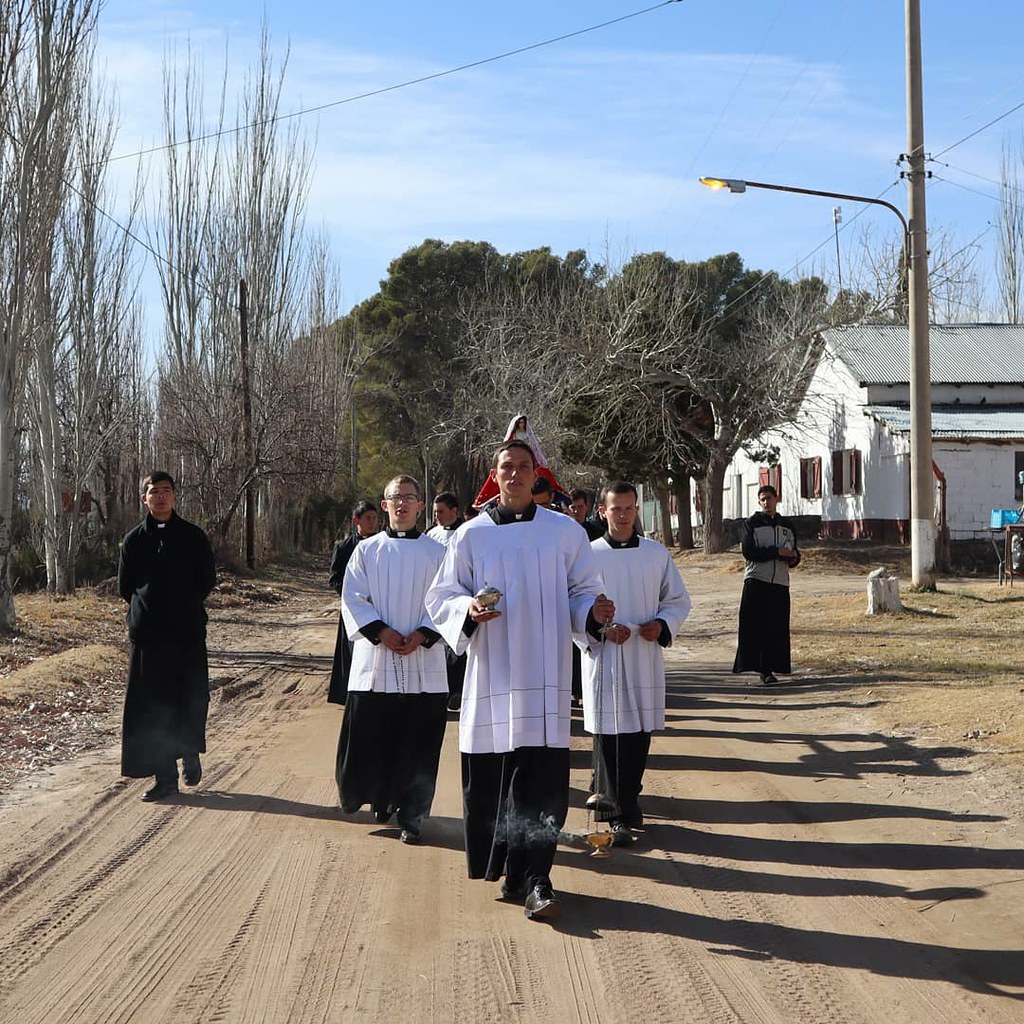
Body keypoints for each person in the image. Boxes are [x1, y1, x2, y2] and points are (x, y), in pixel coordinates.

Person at [426, 439, 615, 921]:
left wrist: (593, 613)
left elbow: (583, 592)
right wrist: (465, 610)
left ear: (537, 476)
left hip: (547, 674)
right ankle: (510, 869)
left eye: (524, 467)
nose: (515, 474)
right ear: (495, 475)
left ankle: (537, 876)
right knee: (496, 777)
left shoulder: (563, 533)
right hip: (493, 674)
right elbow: (441, 596)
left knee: (541, 780)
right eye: (506, 467)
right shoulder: (471, 535)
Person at [576, 481, 691, 845]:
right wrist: (599, 628)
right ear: (602, 512)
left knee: (638, 733)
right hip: (606, 657)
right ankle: (614, 813)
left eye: (629, 508)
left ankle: (629, 799)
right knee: (609, 734)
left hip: (642, 653)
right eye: (616, 509)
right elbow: (574, 603)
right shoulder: (587, 556)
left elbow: (676, 600)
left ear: (636, 510)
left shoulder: (656, 554)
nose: (623, 515)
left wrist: (662, 624)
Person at [336, 476, 448, 844]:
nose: (401, 504)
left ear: (420, 505)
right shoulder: (366, 551)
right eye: (394, 498)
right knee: (377, 737)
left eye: (409, 498)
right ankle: (383, 800)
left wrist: (424, 634)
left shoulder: (438, 554)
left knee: (418, 740)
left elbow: (449, 599)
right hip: (377, 662)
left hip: (424, 664)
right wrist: (381, 632)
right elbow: (352, 598)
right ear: (384, 506)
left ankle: (413, 814)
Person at [118, 471, 216, 802]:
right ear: (144, 498)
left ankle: (189, 752)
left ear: (175, 496)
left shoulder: (193, 537)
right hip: (148, 638)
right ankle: (165, 778)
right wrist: (149, 612)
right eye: (153, 491)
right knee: (153, 708)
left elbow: (206, 579)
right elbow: (125, 588)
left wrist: (182, 607)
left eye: (166, 491)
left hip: (186, 634)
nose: (160, 496)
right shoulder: (133, 541)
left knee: (189, 699)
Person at [732, 484, 801, 686]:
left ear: (776, 499)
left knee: (776, 628)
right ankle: (759, 668)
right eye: (762, 499)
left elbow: (793, 551)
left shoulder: (786, 525)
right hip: (756, 581)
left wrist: (794, 558)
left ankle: (771, 668)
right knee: (756, 627)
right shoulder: (751, 523)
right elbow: (749, 552)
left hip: (780, 583)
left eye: (769, 498)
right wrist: (776, 552)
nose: (766, 502)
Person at [327, 500, 379, 705]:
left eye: (375, 518)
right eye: (368, 518)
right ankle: (349, 693)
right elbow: (334, 578)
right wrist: (353, 595)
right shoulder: (343, 547)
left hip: (377, 608)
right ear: (356, 520)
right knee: (351, 650)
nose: (372, 522)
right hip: (353, 609)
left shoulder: (382, 545)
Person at [427, 491, 468, 710]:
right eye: (435, 512)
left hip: (461, 597)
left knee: (459, 646)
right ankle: (443, 691)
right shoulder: (431, 535)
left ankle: (458, 691)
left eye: (441, 512)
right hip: (438, 598)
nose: (437, 517)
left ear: (454, 511)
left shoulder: (468, 532)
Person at [472, 413, 567, 507]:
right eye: (508, 466)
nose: (515, 473)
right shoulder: (514, 435)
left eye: (523, 422)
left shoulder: (527, 434)